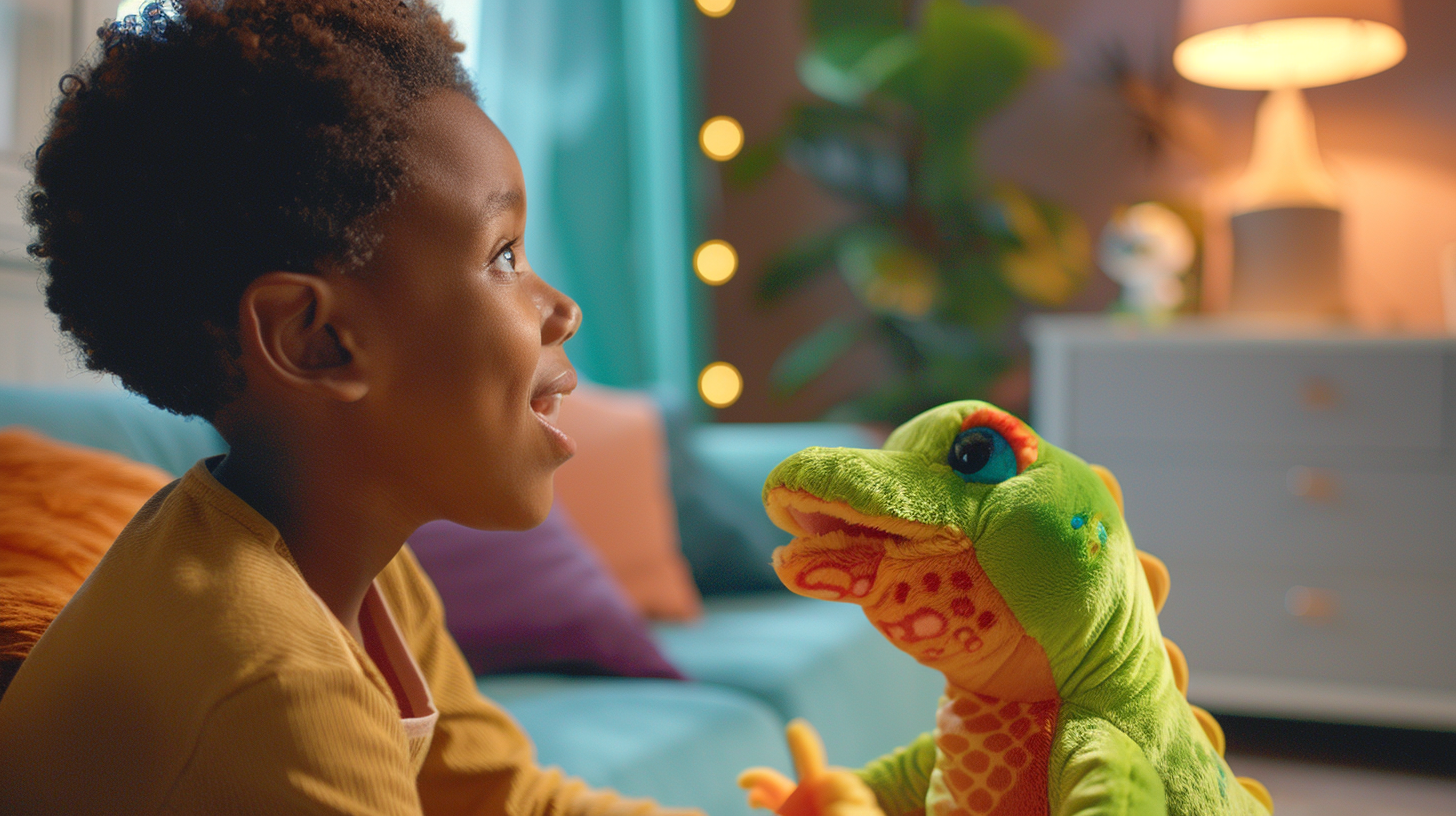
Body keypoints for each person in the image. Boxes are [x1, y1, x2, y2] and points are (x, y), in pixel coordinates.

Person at [0, 1, 688, 812]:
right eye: (503, 254)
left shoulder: (362, 570)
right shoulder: (274, 688)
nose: (563, 308)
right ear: (314, 340)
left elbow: (509, 801)